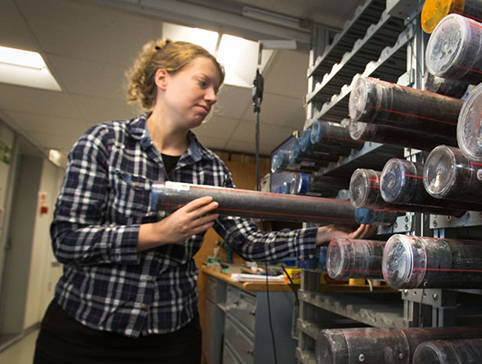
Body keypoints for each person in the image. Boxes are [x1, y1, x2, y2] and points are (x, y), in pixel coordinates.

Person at [34, 39, 376, 363]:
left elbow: (250, 242)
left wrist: (323, 234)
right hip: (85, 330)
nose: (212, 97)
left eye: (216, 90)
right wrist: (161, 232)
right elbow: (68, 240)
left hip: (168, 337)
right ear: (163, 78)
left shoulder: (211, 170)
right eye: (203, 83)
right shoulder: (104, 144)